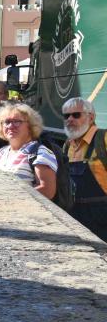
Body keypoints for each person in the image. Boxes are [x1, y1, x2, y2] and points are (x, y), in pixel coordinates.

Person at [0, 103, 57, 200]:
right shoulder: (0, 153)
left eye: (17, 121)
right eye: (7, 122)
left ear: (30, 126)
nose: (11, 126)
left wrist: (10, 198)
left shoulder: (40, 153)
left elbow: (47, 190)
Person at [63, 97, 107, 241]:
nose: (70, 119)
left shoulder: (103, 139)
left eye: (76, 115)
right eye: (66, 115)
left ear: (91, 117)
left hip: (102, 220)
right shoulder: (68, 145)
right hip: (75, 218)